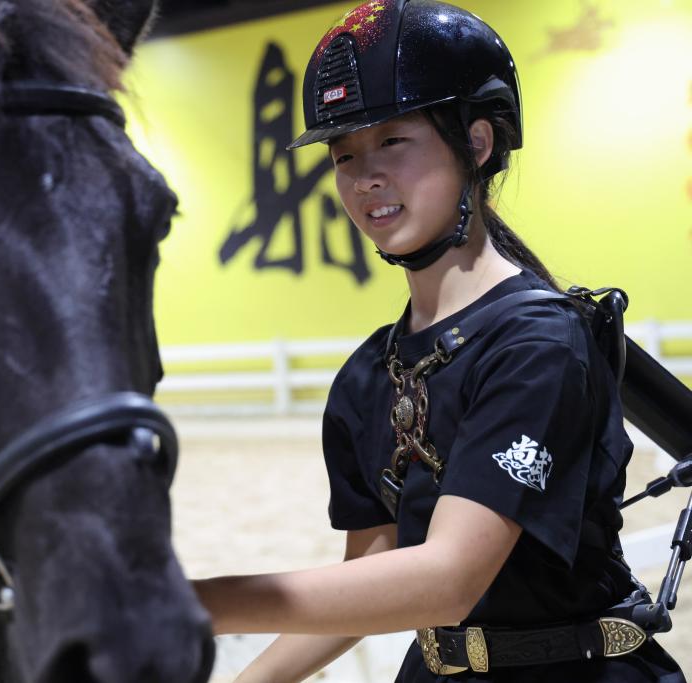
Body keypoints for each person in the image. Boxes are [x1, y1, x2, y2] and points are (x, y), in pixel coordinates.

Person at [192, 1, 687, 681]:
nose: (365, 176)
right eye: (344, 154)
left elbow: (448, 577)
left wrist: (193, 604)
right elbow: (376, 573)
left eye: (393, 141)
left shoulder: (539, 343)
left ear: (476, 143)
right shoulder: (367, 375)